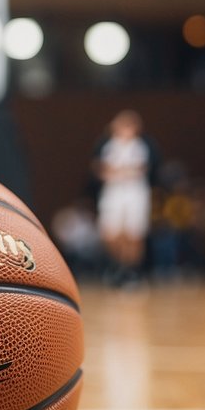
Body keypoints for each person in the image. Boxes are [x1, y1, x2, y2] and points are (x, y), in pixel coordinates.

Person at [92, 110, 154, 286]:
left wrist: (117, 172)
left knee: (133, 234)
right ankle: (118, 267)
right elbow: (101, 169)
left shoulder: (138, 146)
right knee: (110, 233)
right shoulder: (109, 146)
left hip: (133, 194)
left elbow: (138, 169)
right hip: (113, 194)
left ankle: (131, 271)